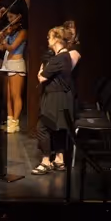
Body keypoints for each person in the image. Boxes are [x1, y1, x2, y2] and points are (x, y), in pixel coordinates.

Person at [32, 26, 78, 175]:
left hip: (56, 98)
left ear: (57, 39)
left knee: (42, 128)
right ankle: (59, 160)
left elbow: (42, 77)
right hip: (58, 96)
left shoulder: (59, 58)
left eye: (49, 36)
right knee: (57, 128)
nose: (48, 39)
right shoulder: (61, 57)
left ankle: (45, 161)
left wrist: (41, 70)